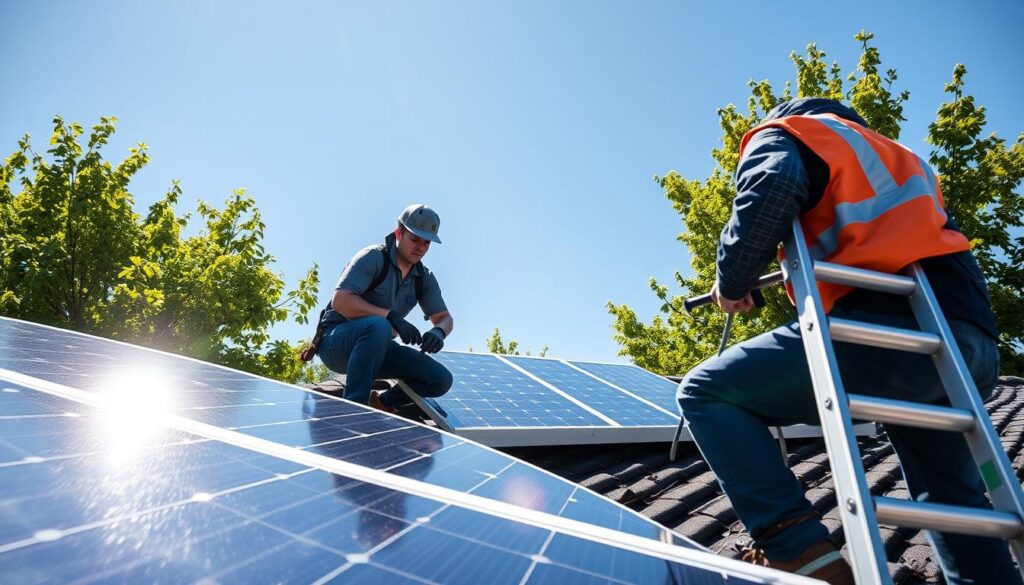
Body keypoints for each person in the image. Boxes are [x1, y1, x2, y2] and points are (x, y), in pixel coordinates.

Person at [676, 98, 1017, 585]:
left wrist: (732, 280)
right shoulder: (899, 155)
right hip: (969, 343)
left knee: (705, 391)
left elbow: (773, 188)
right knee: (951, 501)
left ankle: (797, 553)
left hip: (886, 331)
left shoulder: (791, 131)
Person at [316, 203, 454, 413]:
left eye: (427, 243)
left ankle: (384, 401)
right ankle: (355, 410)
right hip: (336, 343)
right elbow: (340, 300)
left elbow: (444, 317)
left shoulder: (424, 278)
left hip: (377, 351)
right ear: (399, 233)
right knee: (379, 325)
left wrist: (439, 331)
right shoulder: (372, 257)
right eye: (415, 239)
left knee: (440, 379)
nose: (421, 247)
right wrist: (390, 316)